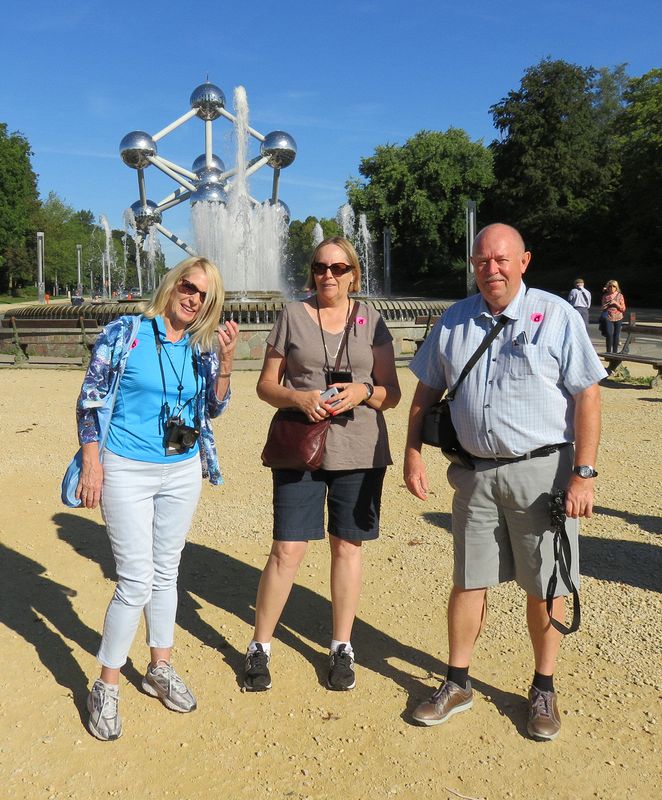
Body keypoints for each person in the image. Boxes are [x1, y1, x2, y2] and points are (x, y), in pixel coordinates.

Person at [404, 223, 606, 741]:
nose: (489, 268)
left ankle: (543, 687)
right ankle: (457, 681)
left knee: (545, 585)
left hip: (542, 473)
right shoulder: (454, 319)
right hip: (473, 474)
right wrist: (411, 453)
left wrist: (583, 474)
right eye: (480, 260)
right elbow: (425, 392)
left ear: (523, 261)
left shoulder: (557, 316)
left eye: (500, 259)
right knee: (469, 580)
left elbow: (587, 396)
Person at [75, 256, 239, 741]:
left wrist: (226, 363)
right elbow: (90, 399)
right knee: (135, 580)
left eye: (205, 296)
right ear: (172, 283)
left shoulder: (201, 345)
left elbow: (214, 407)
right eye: (189, 286)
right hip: (126, 468)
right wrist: (91, 460)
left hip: (182, 469)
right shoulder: (125, 332)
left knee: (167, 572)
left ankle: (158, 667)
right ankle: (106, 685)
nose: (193, 298)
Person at [243, 236, 401, 692]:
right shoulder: (292, 315)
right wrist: (298, 397)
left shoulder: (373, 320)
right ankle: (260, 645)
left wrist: (364, 392)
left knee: (347, 548)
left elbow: (391, 391)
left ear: (354, 273)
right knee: (287, 549)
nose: (327, 275)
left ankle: (341, 645)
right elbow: (265, 386)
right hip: (302, 443)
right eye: (319, 267)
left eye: (337, 268)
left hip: (359, 447)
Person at [601, 279, 626, 354]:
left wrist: (615, 303)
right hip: (608, 316)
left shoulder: (620, 295)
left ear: (616, 287)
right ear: (607, 287)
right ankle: (608, 353)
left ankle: (614, 353)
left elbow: (623, 308)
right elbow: (602, 307)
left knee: (616, 335)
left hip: (618, 316)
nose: (612, 288)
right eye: (610, 286)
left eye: (614, 286)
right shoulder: (605, 296)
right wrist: (605, 306)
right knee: (609, 334)